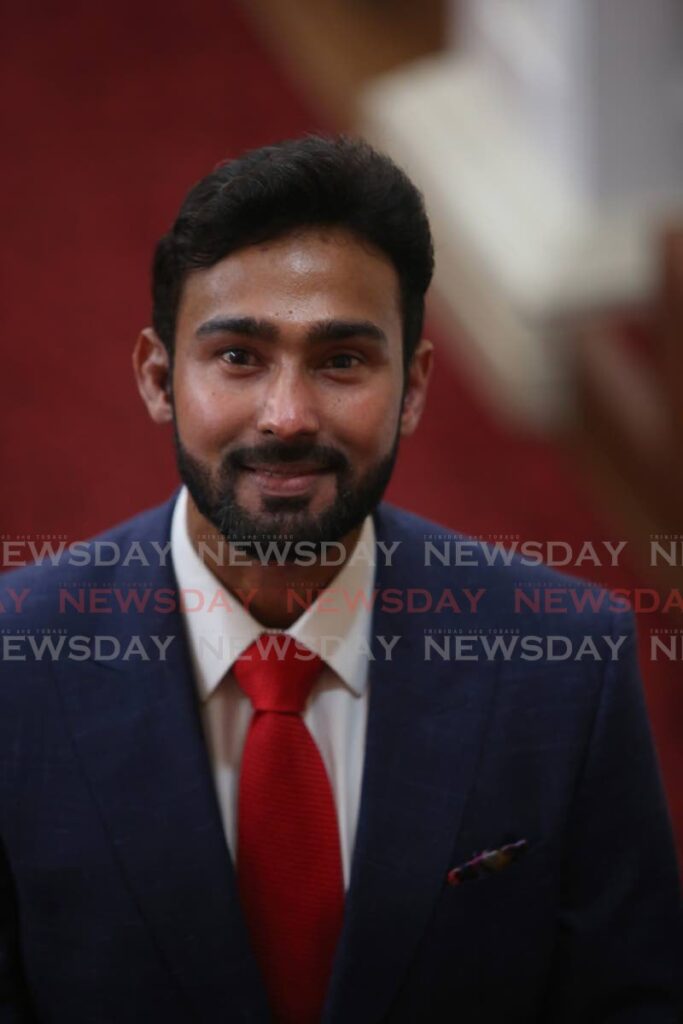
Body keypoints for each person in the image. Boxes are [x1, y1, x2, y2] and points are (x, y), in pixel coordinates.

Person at [0, 136, 681, 1024]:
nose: (288, 416)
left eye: (342, 361)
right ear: (158, 377)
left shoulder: (565, 666)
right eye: (238, 357)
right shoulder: (15, 667)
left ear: (414, 387)